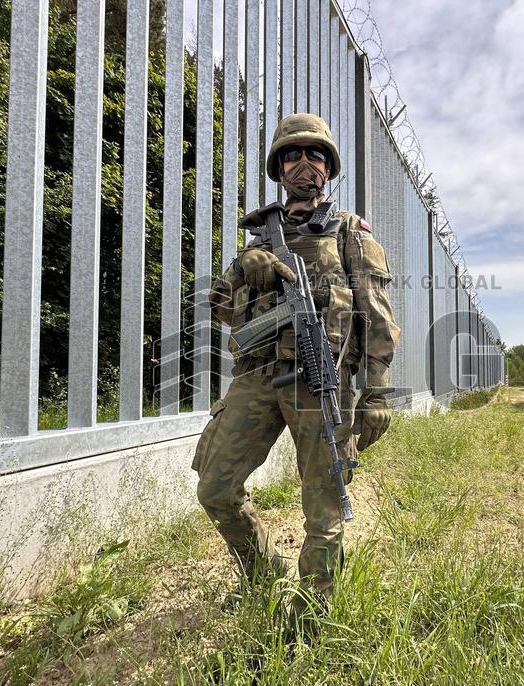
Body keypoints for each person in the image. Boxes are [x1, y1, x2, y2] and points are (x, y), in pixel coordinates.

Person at [192, 113, 400, 616]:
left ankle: (312, 615)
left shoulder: (351, 233)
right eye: (292, 154)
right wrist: (244, 270)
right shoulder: (260, 238)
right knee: (216, 486)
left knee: (324, 507)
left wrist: (375, 394)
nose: (304, 164)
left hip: (319, 382)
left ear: (328, 168)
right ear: (278, 167)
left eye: (315, 155)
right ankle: (264, 574)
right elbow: (218, 307)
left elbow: (377, 317)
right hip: (257, 378)